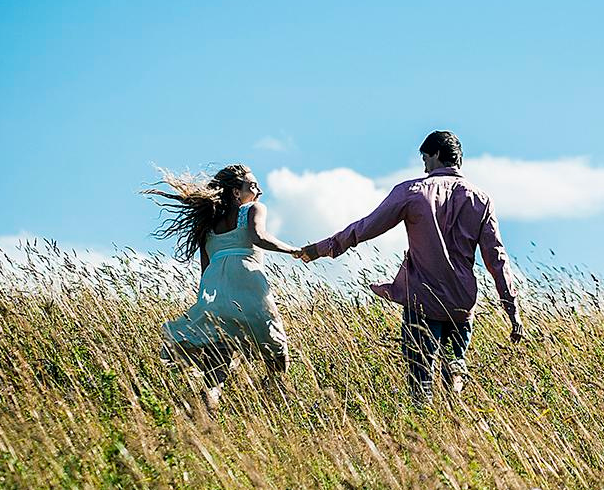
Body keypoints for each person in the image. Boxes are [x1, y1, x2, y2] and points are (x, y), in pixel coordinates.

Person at [297, 131, 524, 405]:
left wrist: (321, 248)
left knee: (421, 380)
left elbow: (366, 227)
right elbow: (496, 258)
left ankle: (425, 421)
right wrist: (511, 309)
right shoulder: (481, 199)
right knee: (455, 363)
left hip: (422, 301)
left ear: (437, 154)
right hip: (462, 303)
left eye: (425, 157)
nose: (424, 165)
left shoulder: (412, 192)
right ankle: (454, 405)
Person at [144, 164, 300, 409]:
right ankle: (275, 395)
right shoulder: (253, 209)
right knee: (276, 348)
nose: (259, 190)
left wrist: (206, 304)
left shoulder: (206, 225)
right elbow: (258, 236)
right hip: (248, 286)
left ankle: (207, 410)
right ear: (236, 192)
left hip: (215, 294)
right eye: (252, 185)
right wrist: (293, 250)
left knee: (216, 367)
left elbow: (205, 269)